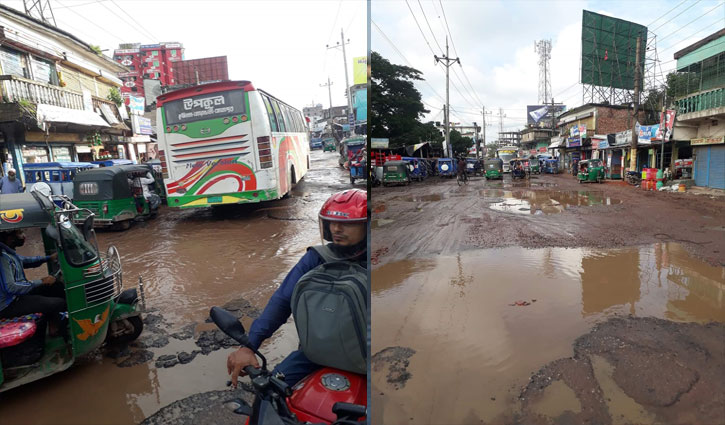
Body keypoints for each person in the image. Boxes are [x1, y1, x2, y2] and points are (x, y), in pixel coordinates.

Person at [226, 189, 367, 387]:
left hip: (366, 355)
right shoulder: (317, 258)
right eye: (331, 223)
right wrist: (249, 347)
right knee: (270, 391)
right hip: (315, 353)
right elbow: (282, 301)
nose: (336, 229)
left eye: (346, 223)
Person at [0, 229, 66, 323]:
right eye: (19, 233)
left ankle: (53, 325)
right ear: (10, 238)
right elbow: (10, 287)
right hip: (9, 304)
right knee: (59, 303)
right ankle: (53, 330)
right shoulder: (2, 257)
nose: (23, 236)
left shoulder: (9, 253)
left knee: (56, 286)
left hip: (17, 295)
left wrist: (49, 258)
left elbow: (25, 261)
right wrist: (41, 281)